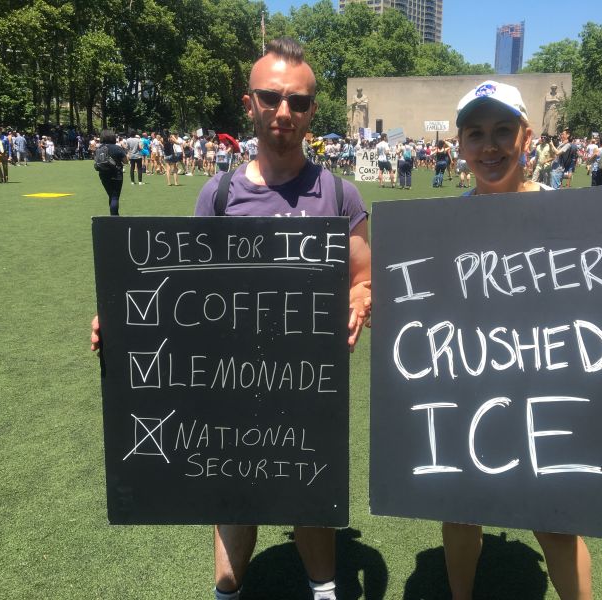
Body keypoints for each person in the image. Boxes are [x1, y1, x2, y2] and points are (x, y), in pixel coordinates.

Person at [91, 37, 370, 600]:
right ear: (250, 104)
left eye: (298, 101)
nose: (283, 112)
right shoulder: (217, 194)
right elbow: (184, 290)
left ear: (313, 110)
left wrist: (361, 297)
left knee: (308, 487)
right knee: (232, 489)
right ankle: (227, 591)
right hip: (228, 380)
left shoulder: (340, 196)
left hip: (307, 380)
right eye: (270, 98)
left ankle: (324, 590)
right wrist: (123, 318)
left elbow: (362, 276)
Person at [444, 79, 602, 600]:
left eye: (503, 131)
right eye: (476, 134)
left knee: (557, 522)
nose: (490, 146)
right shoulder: (442, 227)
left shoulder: (572, 217)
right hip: (469, 391)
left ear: (527, 136)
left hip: (548, 394)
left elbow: (595, 307)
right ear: (460, 144)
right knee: (458, 511)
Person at [94, 129, 127, 216]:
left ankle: (113, 215)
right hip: (116, 174)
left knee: (111, 195)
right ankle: (114, 217)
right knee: (115, 196)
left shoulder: (99, 148)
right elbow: (126, 161)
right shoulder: (117, 148)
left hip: (103, 174)